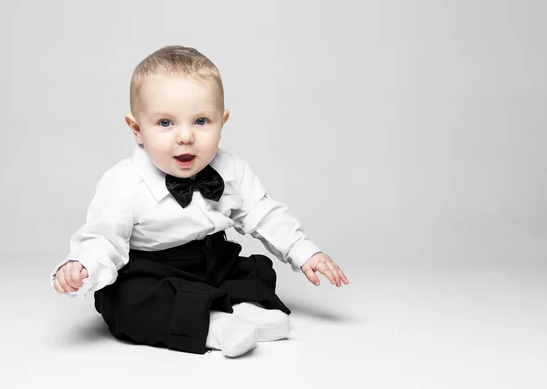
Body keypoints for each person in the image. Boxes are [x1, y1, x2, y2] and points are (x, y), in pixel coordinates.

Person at [50, 45, 349, 358]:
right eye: (166, 123)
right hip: (151, 270)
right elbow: (103, 237)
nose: (185, 137)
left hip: (212, 260)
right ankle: (213, 325)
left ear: (222, 121)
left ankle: (243, 308)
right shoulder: (123, 183)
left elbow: (264, 212)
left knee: (249, 271)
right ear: (137, 129)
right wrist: (81, 265)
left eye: (201, 121)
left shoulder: (231, 168)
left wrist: (304, 252)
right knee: (127, 299)